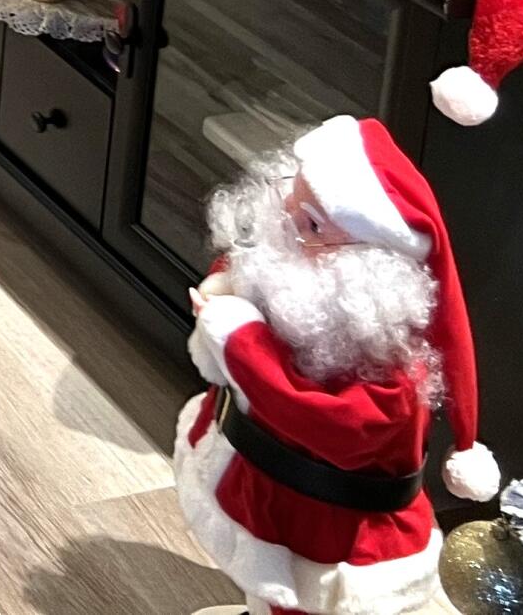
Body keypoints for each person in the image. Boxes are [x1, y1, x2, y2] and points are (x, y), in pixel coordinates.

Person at [177, 115, 495, 615]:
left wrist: (239, 338)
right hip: (264, 482)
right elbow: (261, 284)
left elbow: (335, 427)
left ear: (371, 264)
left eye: (312, 224)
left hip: (334, 530)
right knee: (266, 583)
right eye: (291, 198)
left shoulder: (392, 367)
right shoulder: (308, 280)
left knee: (303, 598)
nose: (285, 220)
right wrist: (231, 293)